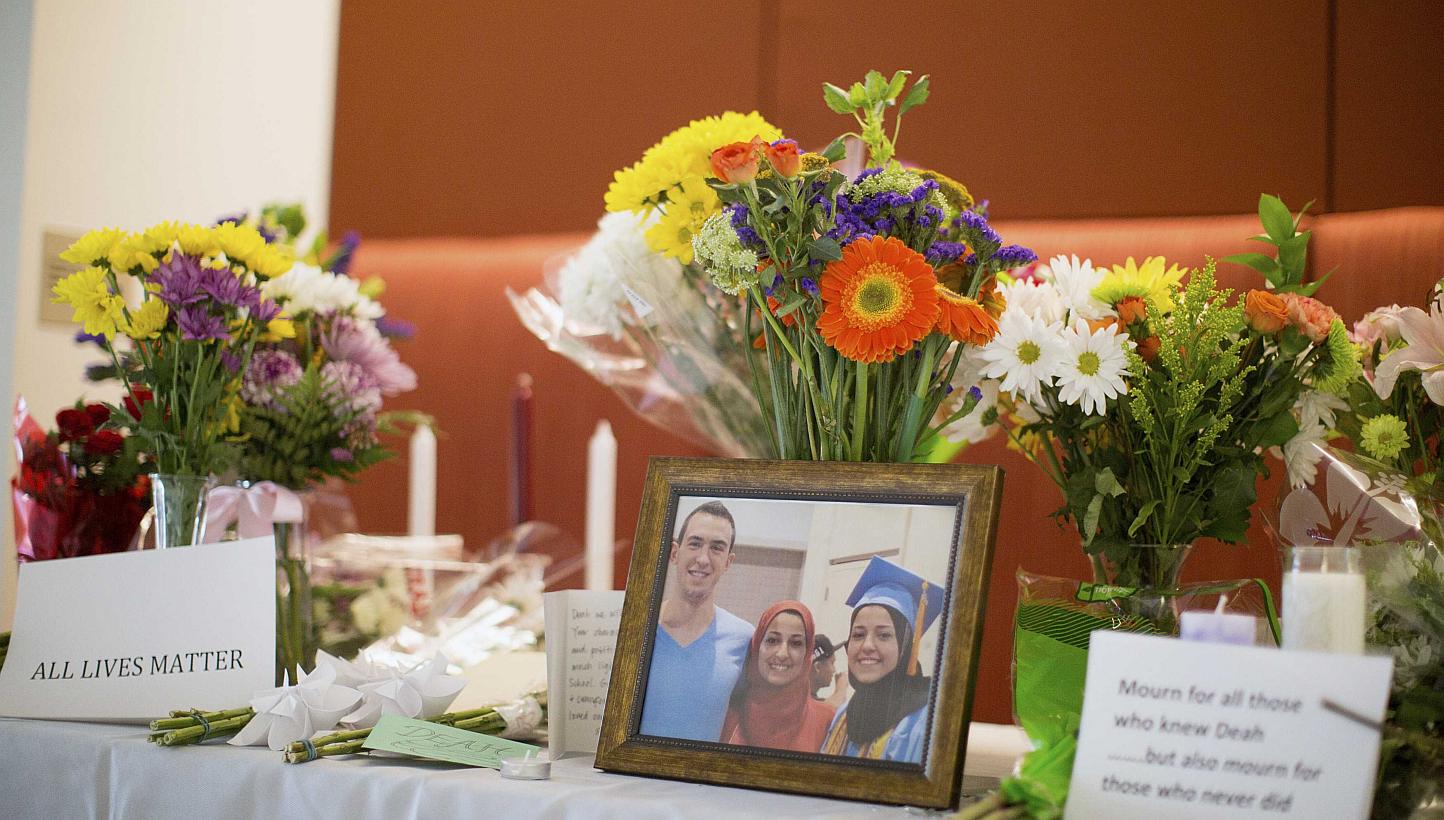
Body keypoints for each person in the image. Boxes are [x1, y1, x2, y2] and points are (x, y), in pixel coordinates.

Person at [638, 500, 753, 741]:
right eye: (695, 543)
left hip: (700, 778)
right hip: (629, 775)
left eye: (717, 548)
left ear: (728, 562)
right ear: (674, 553)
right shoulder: (635, 628)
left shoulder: (744, 639)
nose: (703, 558)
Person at [821, 557, 943, 763]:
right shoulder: (845, 715)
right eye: (858, 635)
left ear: (905, 648)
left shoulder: (924, 722)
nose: (867, 646)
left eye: (884, 635)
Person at [719, 601, 837, 753]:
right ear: (757, 646)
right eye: (772, 640)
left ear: (807, 653)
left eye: (795, 643)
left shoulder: (827, 722)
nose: (782, 653)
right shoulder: (726, 714)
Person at [810, 634, 847, 708]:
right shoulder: (798, 700)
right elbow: (827, 711)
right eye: (832, 663)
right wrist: (841, 687)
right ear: (817, 667)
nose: (834, 670)